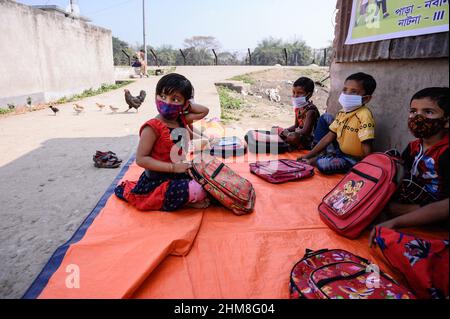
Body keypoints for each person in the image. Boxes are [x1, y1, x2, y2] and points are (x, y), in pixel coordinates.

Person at [115, 73, 210, 211]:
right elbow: (141, 160)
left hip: (179, 174)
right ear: (156, 96)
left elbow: (204, 111)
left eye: (175, 99)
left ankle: (186, 197)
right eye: (163, 96)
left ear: (185, 104)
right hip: (157, 181)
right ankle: (182, 200)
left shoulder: (181, 120)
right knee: (197, 190)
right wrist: (173, 168)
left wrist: (186, 107)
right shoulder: (152, 127)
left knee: (207, 182)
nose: (168, 103)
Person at [369, 87, 449, 246]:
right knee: (390, 161)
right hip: (414, 198)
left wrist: (396, 220)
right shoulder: (413, 147)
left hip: (437, 209)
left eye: (429, 112)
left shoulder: (446, 153)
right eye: (413, 111)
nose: (418, 117)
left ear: (446, 121)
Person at [298, 72, 377, 174]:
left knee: (323, 165)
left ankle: (321, 159)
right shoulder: (343, 112)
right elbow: (329, 137)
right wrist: (308, 155)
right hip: (339, 151)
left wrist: (367, 168)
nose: (346, 94)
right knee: (325, 118)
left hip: (353, 160)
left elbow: (367, 144)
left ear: (366, 98)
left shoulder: (364, 115)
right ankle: (321, 156)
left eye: (353, 92)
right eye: (345, 90)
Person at [274, 77, 320, 150]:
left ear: (309, 94)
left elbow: (305, 132)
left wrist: (287, 133)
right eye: (294, 92)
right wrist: (284, 131)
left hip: (307, 140)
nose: (295, 96)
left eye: (299, 93)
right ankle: (285, 141)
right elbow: (296, 125)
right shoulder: (298, 108)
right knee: (275, 129)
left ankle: (286, 144)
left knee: (293, 137)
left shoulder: (311, 111)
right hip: (297, 133)